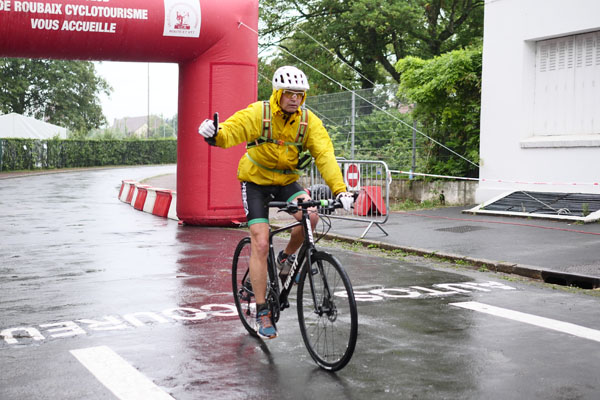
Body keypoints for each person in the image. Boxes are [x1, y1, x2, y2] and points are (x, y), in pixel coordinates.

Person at [198, 65, 354, 339]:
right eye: (289, 93)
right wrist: (215, 133)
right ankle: (262, 311)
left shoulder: (308, 122)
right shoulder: (260, 113)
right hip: (255, 182)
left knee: (311, 216)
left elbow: (325, 155)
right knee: (260, 242)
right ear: (278, 93)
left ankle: (285, 259)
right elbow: (231, 131)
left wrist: (340, 191)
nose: (295, 99)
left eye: (300, 94)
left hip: (286, 182)